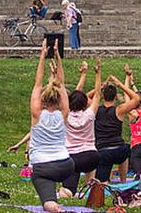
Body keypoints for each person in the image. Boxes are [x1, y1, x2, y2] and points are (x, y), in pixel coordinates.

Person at [28, 40, 73, 213]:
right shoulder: (64, 113)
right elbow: (61, 85)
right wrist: (57, 56)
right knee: (54, 193)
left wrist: (42, 55)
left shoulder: (37, 114)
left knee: (47, 203)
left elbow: (38, 83)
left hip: (43, 166)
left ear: (43, 100)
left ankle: (55, 207)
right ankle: (62, 198)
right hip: (66, 164)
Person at [58, 60, 101, 198]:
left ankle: (68, 191)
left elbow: (67, 96)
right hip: (91, 156)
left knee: (67, 191)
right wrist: (97, 73)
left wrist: (83, 75)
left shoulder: (65, 116)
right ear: (84, 103)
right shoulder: (89, 114)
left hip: (71, 158)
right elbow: (98, 94)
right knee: (90, 163)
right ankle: (89, 186)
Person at [94, 72, 139, 182]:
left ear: (102, 96)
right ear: (115, 97)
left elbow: (84, 98)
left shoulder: (94, 110)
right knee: (124, 149)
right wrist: (119, 84)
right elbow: (136, 98)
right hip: (119, 150)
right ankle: (123, 181)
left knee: (102, 183)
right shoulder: (119, 110)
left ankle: (109, 180)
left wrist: (99, 89)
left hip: (103, 151)